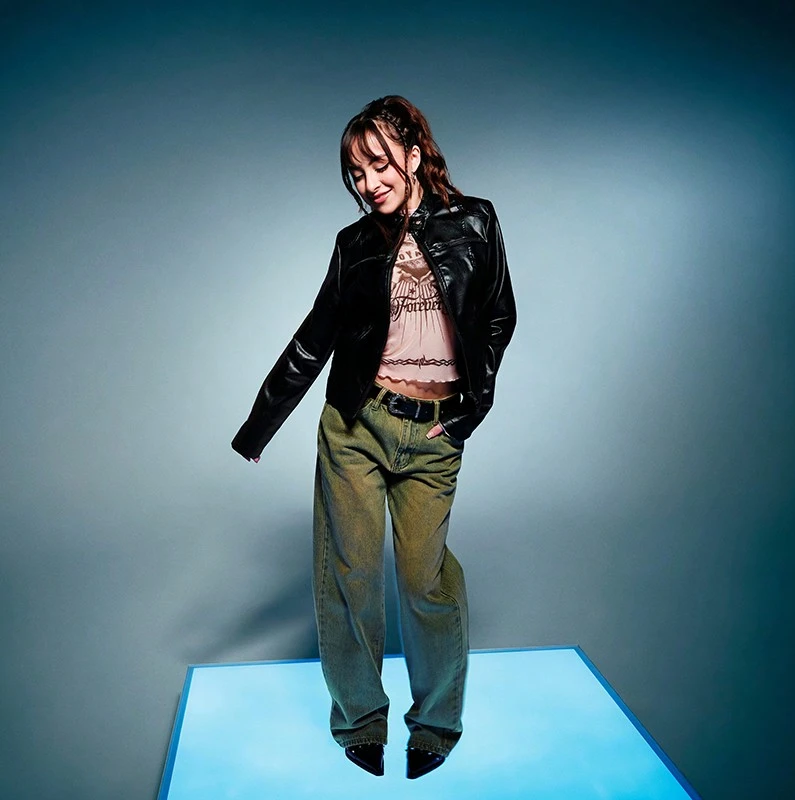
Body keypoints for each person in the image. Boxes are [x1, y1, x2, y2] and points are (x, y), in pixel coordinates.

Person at [231, 95, 516, 779]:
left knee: (425, 580)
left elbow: (498, 317)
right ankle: (359, 720)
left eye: (380, 165)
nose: (369, 183)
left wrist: (472, 410)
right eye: (357, 173)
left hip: (434, 430)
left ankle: (436, 724)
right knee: (351, 577)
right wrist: (260, 425)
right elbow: (315, 336)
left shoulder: (476, 221)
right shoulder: (354, 244)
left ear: (414, 156)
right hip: (357, 425)